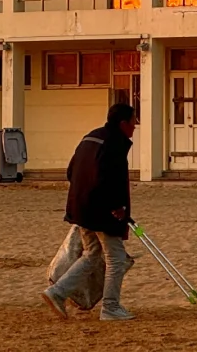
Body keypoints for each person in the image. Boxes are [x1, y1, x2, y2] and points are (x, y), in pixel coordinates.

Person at [41, 102, 137, 322]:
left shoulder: (91, 137)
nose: (135, 126)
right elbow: (108, 178)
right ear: (123, 123)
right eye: (133, 121)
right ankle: (111, 307)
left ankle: (57, 292)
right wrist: (117, 206)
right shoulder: (114, 143)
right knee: (116, 259)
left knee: (92, 254)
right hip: (102, 212)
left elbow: (71, 171)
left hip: (81, 208)